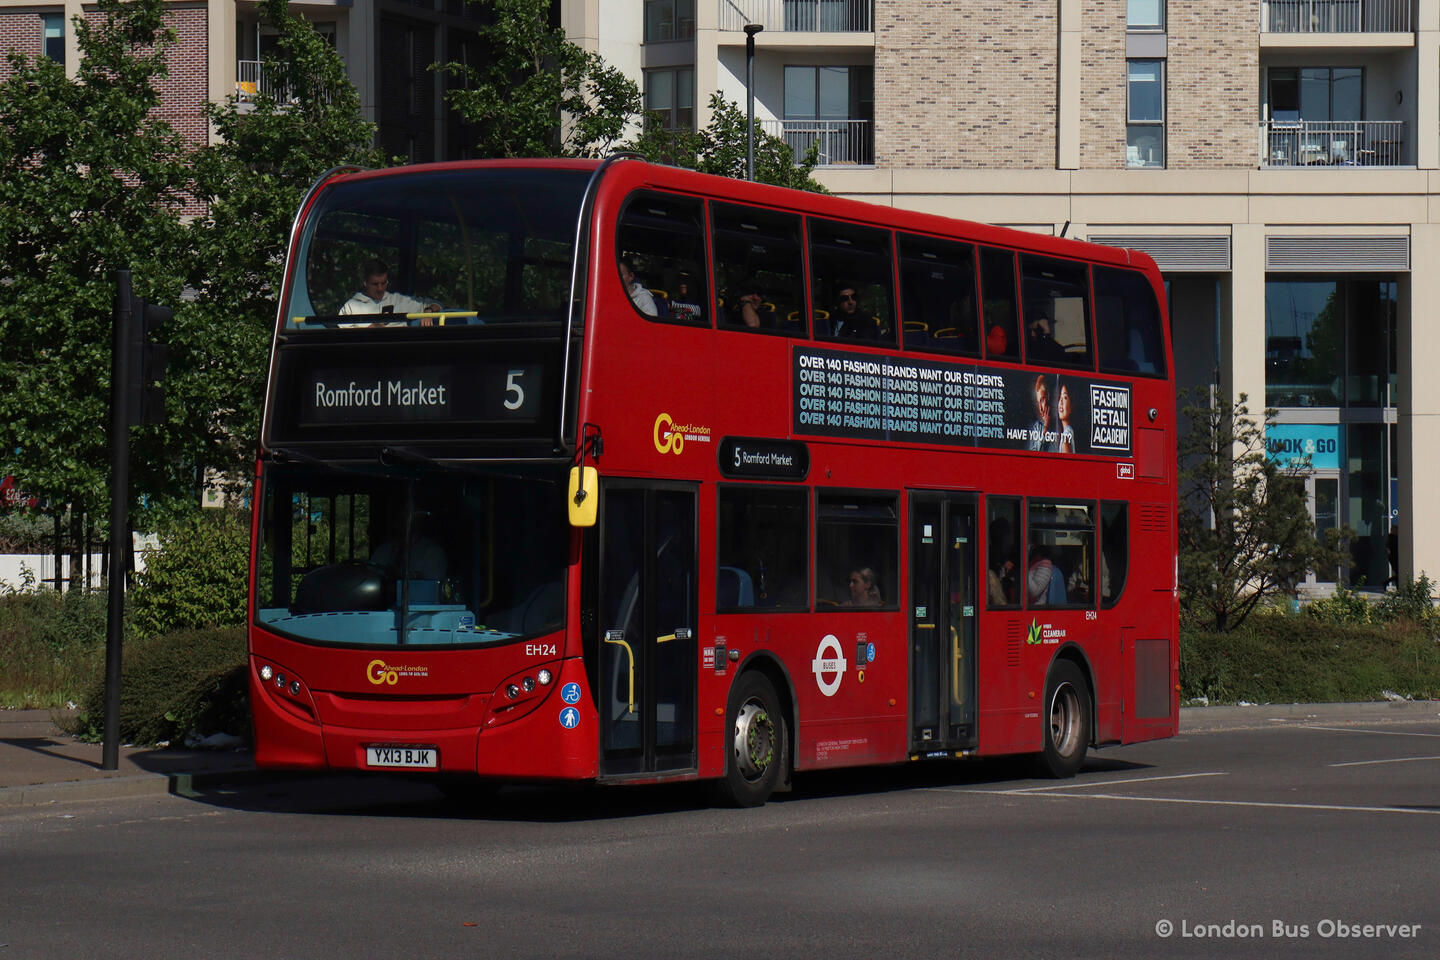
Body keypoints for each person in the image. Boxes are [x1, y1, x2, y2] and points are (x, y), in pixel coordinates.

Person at [339, 259, 441, 324]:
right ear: (365, 283)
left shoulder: (398, 300)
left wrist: (429, 311)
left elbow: (437, 304)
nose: (380, 289)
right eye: (375, 284)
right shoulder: (351, 307)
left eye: (383, 283)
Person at [1028, 374, 1054, 452]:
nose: (1041, 408)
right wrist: (1045, 428)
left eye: (1042, 400)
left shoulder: (1058, 424)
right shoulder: (1037, 427)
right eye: (1038, 402)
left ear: (1048, 396)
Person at [1056, 381, 1076, 454]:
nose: (1060, 402)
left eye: (1065, 398)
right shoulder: (1068, 433)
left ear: (1071, 407)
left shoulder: (1065, 438)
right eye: (1059, 397)